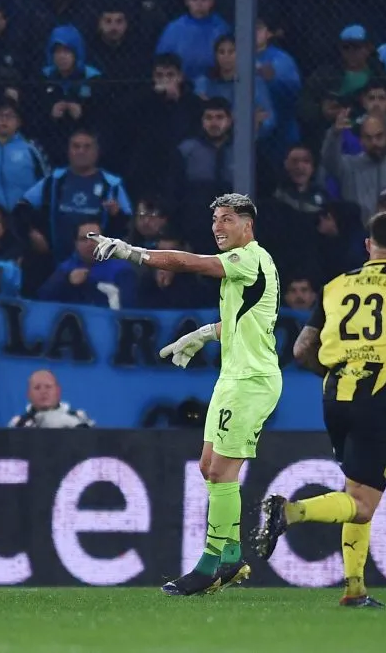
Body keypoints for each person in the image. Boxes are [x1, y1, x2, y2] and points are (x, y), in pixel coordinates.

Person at [89, 193, 281, 596]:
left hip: (251, 381)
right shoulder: (246, 269)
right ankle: (231, 559)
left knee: (221, 472)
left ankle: (209, 566)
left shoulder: (249, 258)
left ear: (247, 225)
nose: (218, 227)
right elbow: (242, 323)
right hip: (233, 377)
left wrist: (133, 252)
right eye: (215, 219)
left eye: (227, 219)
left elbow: (190, 263)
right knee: (208, 465)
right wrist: (201, 335)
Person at [252, 211, 386, 608]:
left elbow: (301, 349)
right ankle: (290, 512)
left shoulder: (336, 284)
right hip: (376, 396)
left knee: (355, 489)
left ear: (368, 246)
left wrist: (333, 373)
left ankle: (355, 588)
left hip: (334, 396)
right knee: (363, 503)